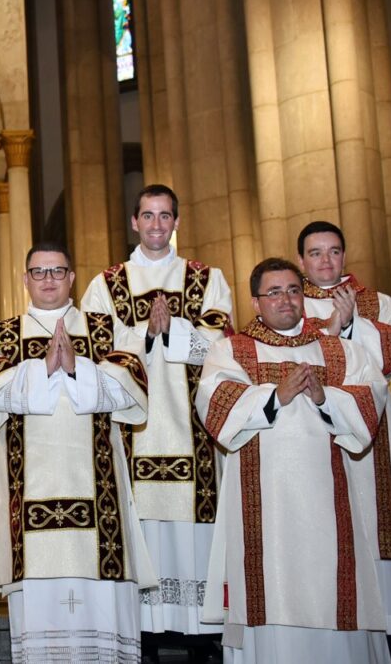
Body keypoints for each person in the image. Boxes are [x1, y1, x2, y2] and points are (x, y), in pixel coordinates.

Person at [197, 257, 390, 663]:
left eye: (293, 290)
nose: (285, 300)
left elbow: (371, 398)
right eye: (274, 292)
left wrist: (325, 398)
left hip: (328, 499)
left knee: (334, 589)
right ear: (255, 302)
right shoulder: (230, 349)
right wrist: (275, 396)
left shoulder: (340, 348)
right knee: (270, 590)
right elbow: (214, 402)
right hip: (264, 508)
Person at [0, 242, 154, 662]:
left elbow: (135, 392)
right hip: (28, 502)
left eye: (57, 271)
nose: (48, 280)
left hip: (100, 504)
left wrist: (77, 368)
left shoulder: (108, 330)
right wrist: (43, 370)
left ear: (72, 277)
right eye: (39, 272)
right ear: (25, 279)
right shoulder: (1, 335)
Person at [81, 184, 232, 646]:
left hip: (193, 432)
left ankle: (201, 638)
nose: (156, 225)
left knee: (193, 532)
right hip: (134, 432)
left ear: (176, 222)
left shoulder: (207, 278)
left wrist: (175, 331)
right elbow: (95, 350)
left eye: (165, 216)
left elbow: (222, 345)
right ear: (134, 221)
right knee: (140, 524)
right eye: (148, 216)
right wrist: (148, 335)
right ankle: (141, 638)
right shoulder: (106, 283)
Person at [297, 220, 391, 641]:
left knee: (378, 519)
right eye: (315, 252)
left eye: (333, 251)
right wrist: (332, 330)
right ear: (301, 260)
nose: (326, 260)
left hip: (375, 440)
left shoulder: (376, 303)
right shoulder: (289, 303)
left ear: (345, 255)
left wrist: (349, 326)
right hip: (315, 436)